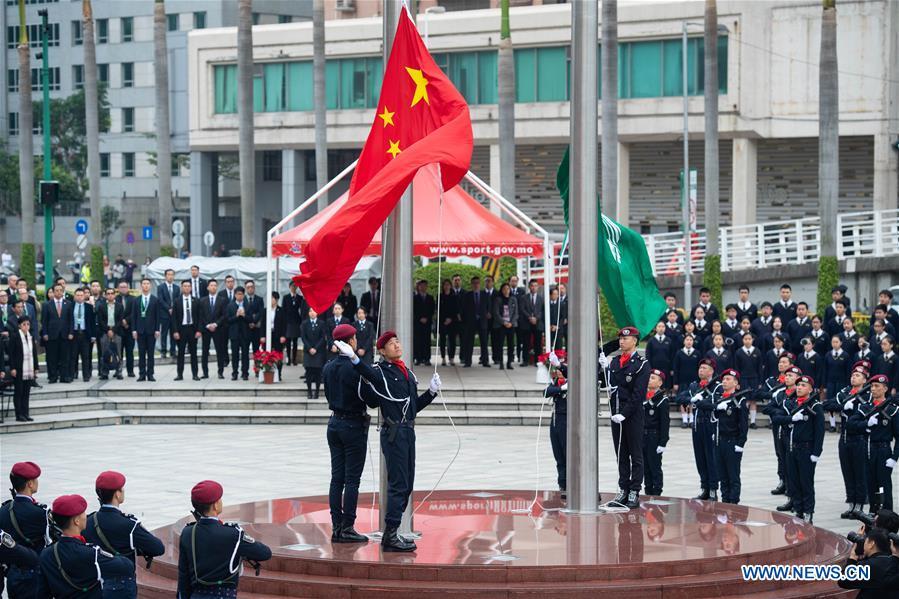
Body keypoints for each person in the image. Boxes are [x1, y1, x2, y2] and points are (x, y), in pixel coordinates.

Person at [336, 331, 441, 551]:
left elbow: (412, 407)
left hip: (408, 431)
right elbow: (368, 374)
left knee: (407, 484)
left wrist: (431, 393)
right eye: (390, 344)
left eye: (397, 341)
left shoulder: (408, 374)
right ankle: (391, 534)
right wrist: (355, 359)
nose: (396, 345)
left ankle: (392, 531)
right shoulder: (381, 372)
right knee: (398, 483)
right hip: (394, 433)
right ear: (382, 351)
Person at [177, 481, 272, 598]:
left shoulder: (187, 533)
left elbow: (183, 578)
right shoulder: (233, 534)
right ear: (215, 505)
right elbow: (265, 553)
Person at [321, 323, 371, 544]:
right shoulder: (355, 369)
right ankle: (348, 526)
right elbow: (369, 399)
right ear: (351, 341)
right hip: (353, 424)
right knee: (352, 480)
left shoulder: (328, 367)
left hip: (334, 423)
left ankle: (337, 526)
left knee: (336, 479)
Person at [83, 471, 165, 597]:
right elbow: (158, 548)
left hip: (95, 583)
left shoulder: (88, 521)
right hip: (121, 585)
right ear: (117, 494)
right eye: (122, 489)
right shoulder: (128, 524)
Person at [36, 494, 133, 599]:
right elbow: (127, 566)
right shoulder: (91, 554)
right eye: (83, 513)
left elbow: (42, 593)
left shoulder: (46, 554)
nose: (85, 516)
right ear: (76, 521)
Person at [605, 326, 650, 509]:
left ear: (635, 341)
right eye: (620, 339)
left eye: (626, 338)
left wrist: (624, 414)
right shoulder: (615, 362)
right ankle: (623, 489)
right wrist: (602, 365)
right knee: (621, 454)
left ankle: (634, 491)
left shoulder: (641, 364)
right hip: (616, 414)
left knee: (635, 455)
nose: (622, 341)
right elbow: (607, 382)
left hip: (632, 415)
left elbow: (638, 394)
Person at [775, 374, 825, 523]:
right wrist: (791, 418)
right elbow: (777, 418)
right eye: (798, 385)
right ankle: (798, 510)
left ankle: (808, 511)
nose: (799, 388)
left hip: (806, 450)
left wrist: (816, 452)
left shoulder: (815, 406)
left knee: (806, 483)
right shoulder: (790, 404)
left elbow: (819, 431)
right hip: (791, 449)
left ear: (810, 389)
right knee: (794, 482)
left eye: (803, 385)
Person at [0, 462, 53, 597]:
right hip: (35, 574)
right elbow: (50, 544)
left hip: (13, 574)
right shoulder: (41, 512)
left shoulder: (3, 510)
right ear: (30, 484)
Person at [825, 364, 872, 517]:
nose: (854, 377)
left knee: (860, 473)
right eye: (853, 375)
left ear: (865, 379)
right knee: (847, 471)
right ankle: (851, 504)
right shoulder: (846, 392)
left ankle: (859, 506)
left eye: (858, 375)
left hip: (860, 438)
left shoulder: (868, 395)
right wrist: (843, 405)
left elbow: (868, 410)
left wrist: (854, 406)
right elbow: (828, 403)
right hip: (844, 437)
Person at [851, 374, 899, 512]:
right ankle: (873, 512)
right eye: (872, 386)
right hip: (868, 450)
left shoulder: (892, 409)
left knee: (884, 485)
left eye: (877, 386)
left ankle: (887, 515)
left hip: (883, 451)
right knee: (871, 484)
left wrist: (894, 457)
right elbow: (851, 424)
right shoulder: (866, 407)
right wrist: (866, 423)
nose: (873, 389)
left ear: (885, 388)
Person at [681, 358, 721, 501]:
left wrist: (699, 400)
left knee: (711, 458)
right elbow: (682, 397)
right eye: (700, 368)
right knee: (700, 458)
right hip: (697, 425)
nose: (701, 370)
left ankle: (713, 490)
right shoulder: (694, 385)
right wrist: (690, 399)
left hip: (709, 424)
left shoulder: (717, 386)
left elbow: (714, 403)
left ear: (711, 371)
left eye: (704, 368)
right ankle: (704, 487)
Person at [708, 369, 749, 504]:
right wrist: (717, 408)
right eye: (723, 379)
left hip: (732, 442)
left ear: (736, 384)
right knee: (722, 476)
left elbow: (743, 425)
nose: (724, 382)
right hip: (719, 442)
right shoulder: (720, 398)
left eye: (728, 379)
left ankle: (734, 505)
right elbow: (713, 419)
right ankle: (725, 504)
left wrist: (740, 444)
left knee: (733, 477)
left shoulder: (740, 400)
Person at [838, 527, 899, 598]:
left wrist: (852, 559)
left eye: (866, 541)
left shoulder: (868, 566)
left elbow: (843, 581)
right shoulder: (894, 562)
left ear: (871, 544)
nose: (864, 544)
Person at [642, 369, 670, 497]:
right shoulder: (643, 396)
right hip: (643, 435)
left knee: (655, 467)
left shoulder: (662, 401)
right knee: (645, 467)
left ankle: (657, 492)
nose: (649, 379)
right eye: (649, 377)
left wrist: (663, 442)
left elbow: (665, 423)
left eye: (653, 378)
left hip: (654, 436)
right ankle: (648, 491)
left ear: (660, 383)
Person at [546, 352, 568, 496]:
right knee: (558, 455)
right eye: (557, 369)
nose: (559, 372)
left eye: (562, 369)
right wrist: (560, 389)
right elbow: (546, 391)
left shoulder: (573, 382)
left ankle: (569, 483)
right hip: (556, 420)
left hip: (567, 419)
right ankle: (562, 483)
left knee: (567, 454)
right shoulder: (557, 384)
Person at [8, 317, 39, 422]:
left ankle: (26, 413)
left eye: (28, 324)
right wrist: (12, 368)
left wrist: (36, 367)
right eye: (24, 324)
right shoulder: (15, 336)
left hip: (29, 369)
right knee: (19, 391)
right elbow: (11, 354)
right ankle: (19, 414)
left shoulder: (30, 337)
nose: (26, 327)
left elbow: (34, 353)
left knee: (26, 392)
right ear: (19, 326)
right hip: (19, 368)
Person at [41, 284, 72, 383]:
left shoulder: (68, 303)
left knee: (65, 357)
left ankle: (64, 377)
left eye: (60, 290)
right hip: (51, 335)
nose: (59, 292)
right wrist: (45, 333)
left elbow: (71, 320)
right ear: (53, 292)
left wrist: (71, 332)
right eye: (56, 290)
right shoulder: (47, 304)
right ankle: (52, 377)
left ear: (63, 292)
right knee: (52, 357)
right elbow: (44, 321)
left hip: (64, 334)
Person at [172, 280, 201, 382]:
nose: (187, 288)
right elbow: (174, 318)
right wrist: (175, 331)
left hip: (193, 329)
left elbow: (199, 317)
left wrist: (199, 330)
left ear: (191, 288)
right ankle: (179, 374)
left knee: (194, 353)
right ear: (181, 287)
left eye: (189, 286)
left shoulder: (196, 301)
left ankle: (195, 374)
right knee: (180, 353)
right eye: (185, 286)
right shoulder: (176, 301)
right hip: (181, 330)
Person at [130, 278, 159, 383]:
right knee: (141, 354)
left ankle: (150, 374)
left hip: (151, 331)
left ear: (150, 286)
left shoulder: (155, 300)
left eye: (147, 284)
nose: (146, 286)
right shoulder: (136, 300)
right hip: (140, 331)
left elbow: (157, 316)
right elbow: (133, 316)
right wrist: (133, 330)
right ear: (141, 286)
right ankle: (142, 374)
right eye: (144, 284)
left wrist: (157, 329)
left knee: (150, 354)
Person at [733, 332, 762, 429]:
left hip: (754, 379)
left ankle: (753, 422)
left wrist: (760, 382)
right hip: (743, 379)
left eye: (749, 339)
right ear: (742, 340)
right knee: (745, 401)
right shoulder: (738, 352)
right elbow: (736, 368)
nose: (747, 341)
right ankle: (744, 421)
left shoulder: (757, 351)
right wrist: (737, 381)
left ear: (752, 340)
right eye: (745, 339)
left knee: (753, 401)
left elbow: (759, 368)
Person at [200, 280, 227, 380]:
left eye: (215, 285)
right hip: (206, 329)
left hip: (218, 329)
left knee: (219, 351)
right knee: (205, 351)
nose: (213, 287)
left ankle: (220, 372)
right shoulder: (202, 300)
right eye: (211, 285)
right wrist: (207, 325)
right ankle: (205, 373)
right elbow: (201, 315)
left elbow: (224, 315)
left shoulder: (222, 300)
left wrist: (215, 324)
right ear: (207, 287)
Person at [67, 288, 95, 382]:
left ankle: (86, 375)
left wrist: (93, 335)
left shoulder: (89, 307)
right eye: (77, 295)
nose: (79, 297)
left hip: (85, 334)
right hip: (74, 334)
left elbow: (92, 322)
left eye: (81, 295)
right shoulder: (70, 306)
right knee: (73, 356)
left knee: (86, 356)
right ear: (74, 296)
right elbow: (68, 321)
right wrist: (69, 332)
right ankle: (72, 375)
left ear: (84, 296)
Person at [460, 276, 489, 368]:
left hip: (482, 321)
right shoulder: (467, 295)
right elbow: (463, 309)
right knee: (469, 342)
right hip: (471, 322)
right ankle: (468, 361)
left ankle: (485, 361)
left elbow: (489, 305)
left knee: (484, 342)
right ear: (471, 284)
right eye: (474, 283)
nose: (476, 285)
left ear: (480, 284)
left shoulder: (485, 294)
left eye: (477, 283)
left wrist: (489, 313)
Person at [673, 333, 700, 428]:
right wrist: (675, 382)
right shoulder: (679, 353)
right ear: (684, 341)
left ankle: (691, 419)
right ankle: (685, 420)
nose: (689, 342)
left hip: (693, 382)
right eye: (687, 340)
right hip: (682, 381)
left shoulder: (697, 353)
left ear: (693, 342)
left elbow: (699, 368)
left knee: (692, 400)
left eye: (691, 340)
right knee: (683, 400)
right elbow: (676, 369)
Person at [97, 288, 124, 381]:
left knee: (118, 353)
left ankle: (119, 371)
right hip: (105, 332)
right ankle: (104, 372)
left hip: (117, 332)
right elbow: (100, 320)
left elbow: (120, 320)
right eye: (108, 294)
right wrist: (108, 330)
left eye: (112, 293)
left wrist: (114, 330)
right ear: (105, 295)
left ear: (115, 295)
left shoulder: (120, 306)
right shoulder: (101, 306)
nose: (110, 295)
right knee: (104, 353)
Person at [226, 287, 252, 381]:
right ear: (235, 295)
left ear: (244, 295)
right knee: (235, 355)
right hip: (234, 334)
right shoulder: (230, 306)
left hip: (245, 334)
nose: (239, 296)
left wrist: (244, 315)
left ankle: (245, 373)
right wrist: (236, 316)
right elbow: (228, 320)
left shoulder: (247, 305)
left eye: (241, 294)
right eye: (238, 294)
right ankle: (235, 373)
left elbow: (251, 319)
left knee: (245, 354)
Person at [491, 282, 518, 370]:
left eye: (508, 289)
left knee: (511, 344)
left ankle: (509, 362)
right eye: (504, 289)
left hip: (511, 325)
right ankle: (501, 362)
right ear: (501, 290)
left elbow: (516, 313)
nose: (506, 291)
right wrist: (504, 322)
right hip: (501, 325)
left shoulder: (513, 299)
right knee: (500, 344)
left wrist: (511, 322)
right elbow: (496, 313)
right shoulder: (498, 299)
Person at [301, 307, 326, 397]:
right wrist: (309, 348)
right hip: (308, 352)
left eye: (314, 311)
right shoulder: (304, 323)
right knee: (308, 372)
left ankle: (317, 392)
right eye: (310, 311)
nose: (312, 313)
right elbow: (303, 337)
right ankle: (309, 391)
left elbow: (323, 337)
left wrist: (315, 348)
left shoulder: (322, 323)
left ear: (317, 313)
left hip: (318, 352)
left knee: (318, 373)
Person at [518, 280, 544, 367]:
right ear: (529, 287)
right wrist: (529, 317)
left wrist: (536, 318)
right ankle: (525, 360)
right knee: (526, 343)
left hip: (538, 323)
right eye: (532, 286)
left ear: (538, 287)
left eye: (535, 286)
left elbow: (542, 311)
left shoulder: (541, 298)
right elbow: (522, 309)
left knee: (538, 344)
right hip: (527, 323)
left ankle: (538, 361)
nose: (533, 287)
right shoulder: (524, 297)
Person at [261, 292, 287, 379]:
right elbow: (263, 324)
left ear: (276, 300)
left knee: (278, 354)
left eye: (272, 298)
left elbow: (284, 324)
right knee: (267, 354)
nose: (270, 300)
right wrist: (262, 336)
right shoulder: (265, 310)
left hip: (278, 335)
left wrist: (283, 336)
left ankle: (278, 373)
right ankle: (267, 372)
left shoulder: (281, 310)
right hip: (268, 335)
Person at [282, 281, 305, 366]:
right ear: (289, 287)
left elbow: (301, 310)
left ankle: (294, 359)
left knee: (295, 341)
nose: (293, 288)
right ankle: (288, 359)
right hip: (288, 322)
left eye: (295, 286)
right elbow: (283, 310)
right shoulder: (286, 297)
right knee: (288, 341)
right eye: (292, 286)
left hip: (296, 322)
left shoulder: (300, 298)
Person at [412, 280, 434, 366]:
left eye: (425, 285)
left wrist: (427, 318)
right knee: (418, 341)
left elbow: (432, 310)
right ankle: (418, 358)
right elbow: (414, 310)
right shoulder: (415, 298)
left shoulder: (430, 298)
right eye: (421, 286)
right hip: (418, 323)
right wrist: (420, 318)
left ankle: (427, 359)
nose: (423, 287)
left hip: (427, 323)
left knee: (427, 341)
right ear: (419, 287)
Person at [645, 322, 674, 387]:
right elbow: (648, 355)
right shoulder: (651, 341)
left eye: (663, 326)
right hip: (654, 368)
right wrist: (649, 368)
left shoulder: (669, 340)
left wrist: (672, 368)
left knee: (665, 387)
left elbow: (672, 355)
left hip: (666, 369)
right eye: (659, 326)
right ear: (655, 328)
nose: (661, 328)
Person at [437, 279, 458, 366]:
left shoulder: (454, 296)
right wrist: (444, 320)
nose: (446, 286)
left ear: (450, 286)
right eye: (445, 285)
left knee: (452, 340)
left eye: (448, 285)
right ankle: (443, 358)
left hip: (452, 322)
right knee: (442, 340)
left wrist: (450, 319)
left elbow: (456, 309)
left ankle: (451, 358)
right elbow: (438, 310)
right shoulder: (440, 296)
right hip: (442, 322)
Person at [157, 269, 177, 359]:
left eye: (172, 274)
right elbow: (160, 300)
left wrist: (174, 309)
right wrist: (169, 308)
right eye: (168, 274)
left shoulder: (176, 287)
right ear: (165, 276)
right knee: (164, 333)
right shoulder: (160, 287)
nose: (170, 276)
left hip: (174, 314)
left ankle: (173, 351)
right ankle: (163, 351)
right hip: (164, 314)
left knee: (174, 333)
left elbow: (177, 300)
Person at [243, 281, 263, 355]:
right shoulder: (243, 299)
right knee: (245, 349)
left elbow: (260, 312)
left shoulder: (259, 299)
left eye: (252, 287)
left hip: (256, 328)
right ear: (246, 288)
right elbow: (243, 313)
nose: (250, 289)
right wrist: (249, 322)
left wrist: (254, 322)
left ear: (254, 288)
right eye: (248, 287)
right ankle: (245, 366)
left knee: (256, 349)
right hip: (246, 327)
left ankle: (256, 365)